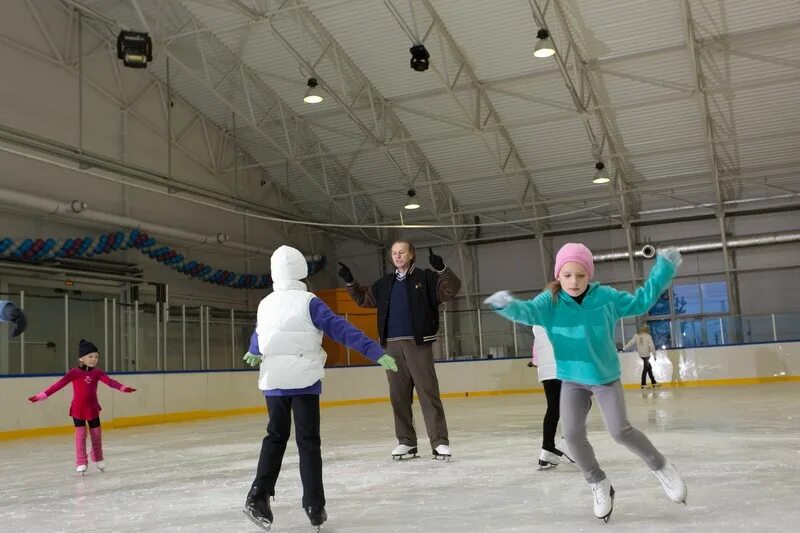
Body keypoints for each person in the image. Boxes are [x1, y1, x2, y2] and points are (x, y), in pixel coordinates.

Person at [485, 243, 687, 522]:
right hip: (571, 380)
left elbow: (640, 301)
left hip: (604, 377)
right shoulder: (550, 301)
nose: (574, 281)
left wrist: (663, 268)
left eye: (580, 275)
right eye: (567, 275)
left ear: (589, 275)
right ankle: (598, 482)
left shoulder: (605, 297)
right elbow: (528, 312)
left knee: (619, 431)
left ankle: (661, 466)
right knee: (572, 436)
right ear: (559, 275)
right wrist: (507, 305)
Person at [241, 245, 398, 532]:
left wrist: (254, 349)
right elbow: (341, 329)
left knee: (275, 436)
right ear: (301, 272)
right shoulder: (309, 302)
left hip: (274, 380)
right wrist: (374, 351)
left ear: (275, 273)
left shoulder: (266, 302)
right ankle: (314, 505)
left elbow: (263, 332)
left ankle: (258, 495)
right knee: (308, 442)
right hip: (303, 380)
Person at [338, 241, 461, 460]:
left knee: (428, 393)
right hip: (391, 345)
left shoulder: (427, 278)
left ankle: (439, 442)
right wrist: (350, 281)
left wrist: (442, 269)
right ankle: (406, 442)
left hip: (418, 343)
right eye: (394, 253)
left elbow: (451, 289)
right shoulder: (385, 283)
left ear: (411, 254)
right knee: (398, 396)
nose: (397, 256)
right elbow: (363, 299)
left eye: (401, 252)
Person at [28, 339, 136, 474]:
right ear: (81, 358)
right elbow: (58, 385)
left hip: (93, 408)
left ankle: (98, 457)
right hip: (77, 409)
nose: (94, 359)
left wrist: (123, 388)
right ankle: (81, 461)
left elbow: (110, 382)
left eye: (96, 356)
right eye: (90, 356)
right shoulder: (74, 373)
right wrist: (41, 395)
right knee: (81, 435)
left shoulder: (97, 372)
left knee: (96, 434)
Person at [530, 325, 575, 470]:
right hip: (562, 367)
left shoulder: (537, 321)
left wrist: (537, 362)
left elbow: (538, 345)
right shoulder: (562, 312)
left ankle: (547, 451)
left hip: (546, 370)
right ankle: (568, 443)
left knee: (553, 409)